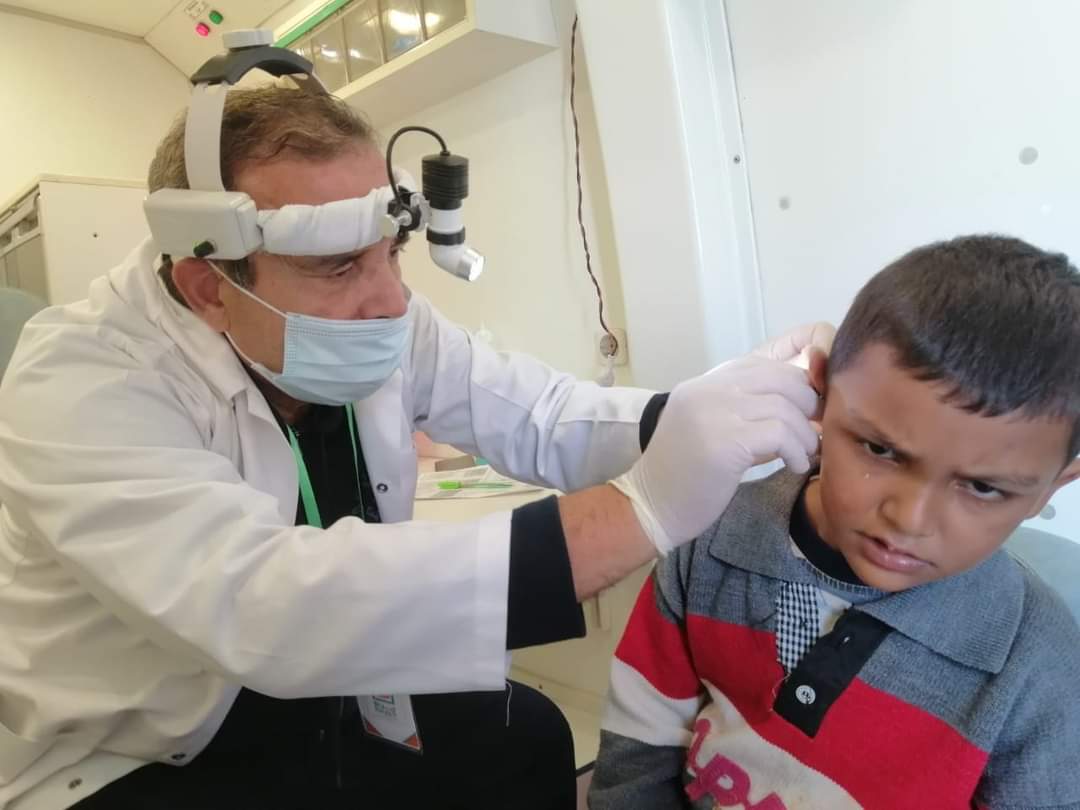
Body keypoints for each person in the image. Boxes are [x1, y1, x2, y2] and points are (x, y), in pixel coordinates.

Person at [0, 84, 830, 809]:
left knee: (531, 738)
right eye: (338, 267)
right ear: (209, 288)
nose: (392, 300)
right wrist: (638, 512)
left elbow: (544, 414)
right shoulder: (81, 376)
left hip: (329, 681)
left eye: (391, 252)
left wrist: (705, 412)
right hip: (135, 744)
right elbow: (261, 603)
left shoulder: (383, 321)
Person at [589, 235, 1080, 809]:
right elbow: (635, 759)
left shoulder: (1039, 665)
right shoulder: (707, 544)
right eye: (880, 449)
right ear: (819, 393)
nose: (909, 519)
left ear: (1054, 484)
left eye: (982, 487)